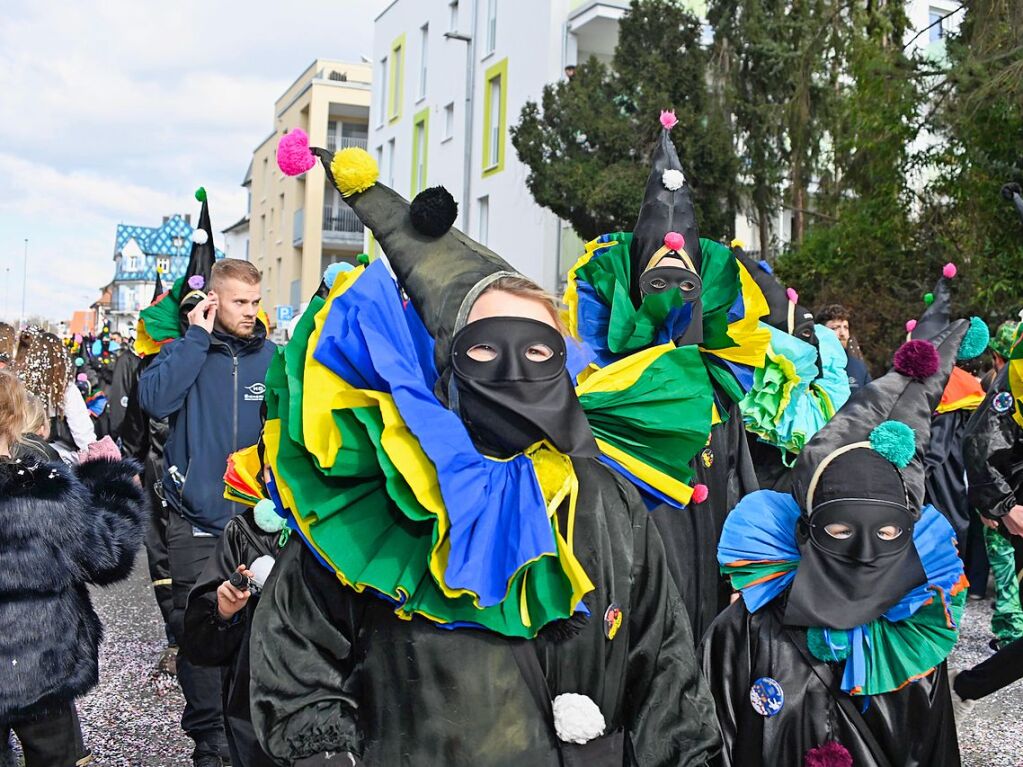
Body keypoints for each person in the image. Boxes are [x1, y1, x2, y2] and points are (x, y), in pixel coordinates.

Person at [249, 138, 720, 765]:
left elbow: (666, 675)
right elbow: (295, 668)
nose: (514, 370)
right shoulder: (381, 502)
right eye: (485, 349)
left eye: (538, 352)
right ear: (446, 371)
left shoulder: (608, 503)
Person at [702, 321, 973, 766]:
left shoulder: (913, 646)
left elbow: (934, 751)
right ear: (806, 531)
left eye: (887, 534)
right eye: (841, 531)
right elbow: (713, 744)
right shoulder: (745, 632)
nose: (865, 553)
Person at [562, 111, 770, 641]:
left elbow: (735, 474)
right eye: (657, 281)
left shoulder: (719, 384)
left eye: (684, 286)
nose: (669, 300)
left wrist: (750, 565)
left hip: (709, 563)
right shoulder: (598, 385)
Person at [138, 190, 275, 767]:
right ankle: (209, 741)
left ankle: (246, 736)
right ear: (212, 300)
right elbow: (153, 399)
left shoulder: (276, 359)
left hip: (257, 523)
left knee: (251, 629)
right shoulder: (188, 349)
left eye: (256, 300)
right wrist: (195, 339)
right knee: (200, 633)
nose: (251, 311)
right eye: (240, 301)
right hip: (195, 521)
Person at [0, 370, 146, 767]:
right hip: (41, 667)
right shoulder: (42, 490)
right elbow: (109, 555)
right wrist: (112, 480)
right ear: (15, 419)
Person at [182, 442, 284, 767]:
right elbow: (200, 646)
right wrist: (223, 612)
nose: (280, 479)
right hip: (254, 718)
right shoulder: (243, 534)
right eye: (269, 468)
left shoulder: (351, 536)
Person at [732, 248, 851, 492]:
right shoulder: (747, 395)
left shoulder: (825, 394)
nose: (812, 346)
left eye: (812, 335)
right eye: (803, 335)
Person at [15, 328, 96, 460]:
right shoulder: (65, 389)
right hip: (61, 456)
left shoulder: (21, 385)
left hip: (23, 453)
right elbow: (83, 433)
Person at [816, 304, 872, 395]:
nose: (842, 333)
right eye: (835, 328)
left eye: (845, 327)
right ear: (820, 331)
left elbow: (871, 401)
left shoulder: (858, 366)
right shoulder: (811, 366)